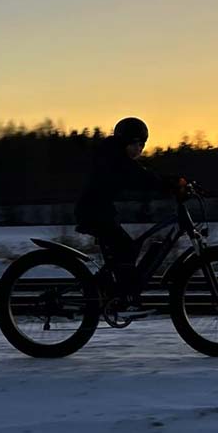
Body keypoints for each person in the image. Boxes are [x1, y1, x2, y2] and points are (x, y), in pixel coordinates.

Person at [75, 117, 180, 312]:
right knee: (125, 247)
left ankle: (113, 293)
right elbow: (140, 177)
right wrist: (169, 185)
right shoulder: (114, 158)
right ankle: (116, 295)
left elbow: (143, 174)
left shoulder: (115, 156)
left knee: (127, 249)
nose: (140, 148)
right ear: (125, 142)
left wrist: (172, 181)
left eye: (143, 144)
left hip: (101, 211)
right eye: (136, 143)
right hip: (94, 212)